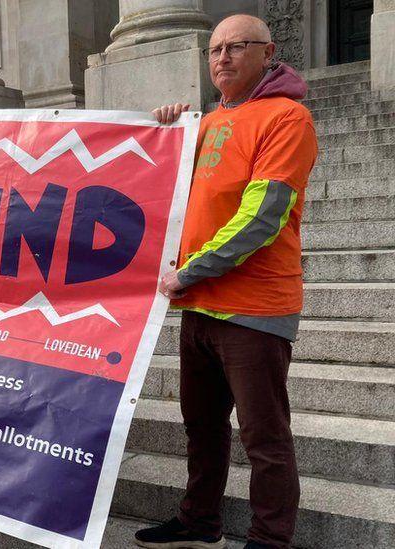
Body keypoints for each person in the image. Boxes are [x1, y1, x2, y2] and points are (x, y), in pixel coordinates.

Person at [136, 14, 317, 549]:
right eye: (214, 49)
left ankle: (269, 538)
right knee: (203, 429)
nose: (222, 58)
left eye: (237, 47)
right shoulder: (209, 122)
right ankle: (200, 521)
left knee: (264, 438)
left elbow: (263, 216)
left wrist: (188, 272)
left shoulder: (288, 117)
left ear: (269, 52)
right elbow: (161, 187)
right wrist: (166, 130)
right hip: (199, 306)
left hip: (254, 308)